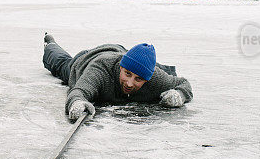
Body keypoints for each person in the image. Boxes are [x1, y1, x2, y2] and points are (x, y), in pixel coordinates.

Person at [42, 33, 193, 121]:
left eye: (138, 79)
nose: (129, 83)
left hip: (120, 51)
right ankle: (50, 44)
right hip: (86, 60)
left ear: (147, 79)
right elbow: (79, 91)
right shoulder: (98, 72)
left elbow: (183, 84)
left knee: (157, 71)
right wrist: (77, 103)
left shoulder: (154, 77)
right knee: (59, 63)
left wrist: (179, 94)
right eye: (127, 74)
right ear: (121, 67)